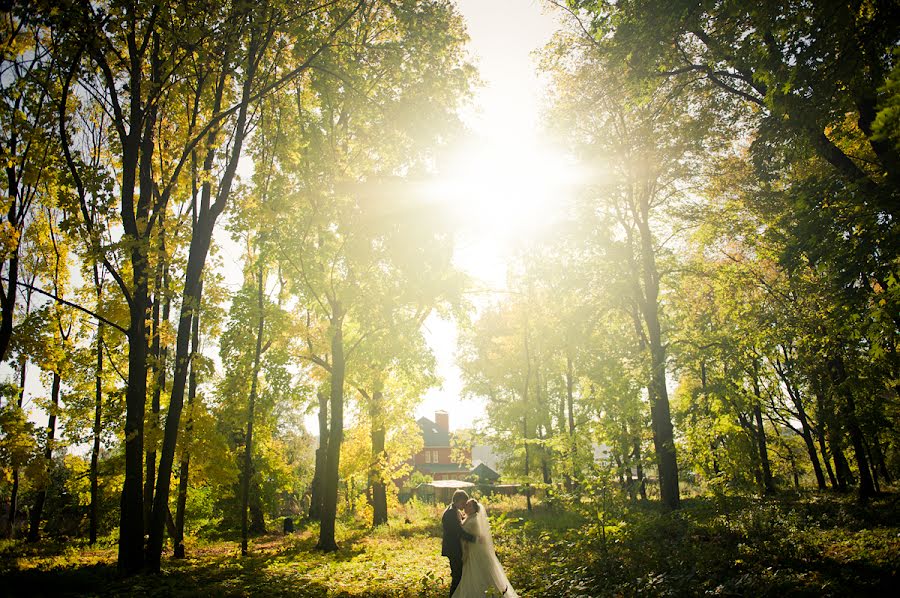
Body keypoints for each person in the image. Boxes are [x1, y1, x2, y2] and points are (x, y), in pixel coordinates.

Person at [452, 498, 518, 597]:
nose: (466, 507)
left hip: (475, 550)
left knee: (478, 570)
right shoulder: (468, 517)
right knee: (472, 571)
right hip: (470, 549)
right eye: (466, 505)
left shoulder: (474, 520)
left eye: (469, 506)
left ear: (475, 509)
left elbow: (466, 533)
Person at [442, 489, 476, 597]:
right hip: (453, 549)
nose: (464, 505)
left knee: (459, 575)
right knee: (457, 576)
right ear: (457, 500)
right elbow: (458, 531)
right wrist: (475, 539)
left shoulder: (455, 510)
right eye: (463, 502)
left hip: (457, 548)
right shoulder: (450, 513)